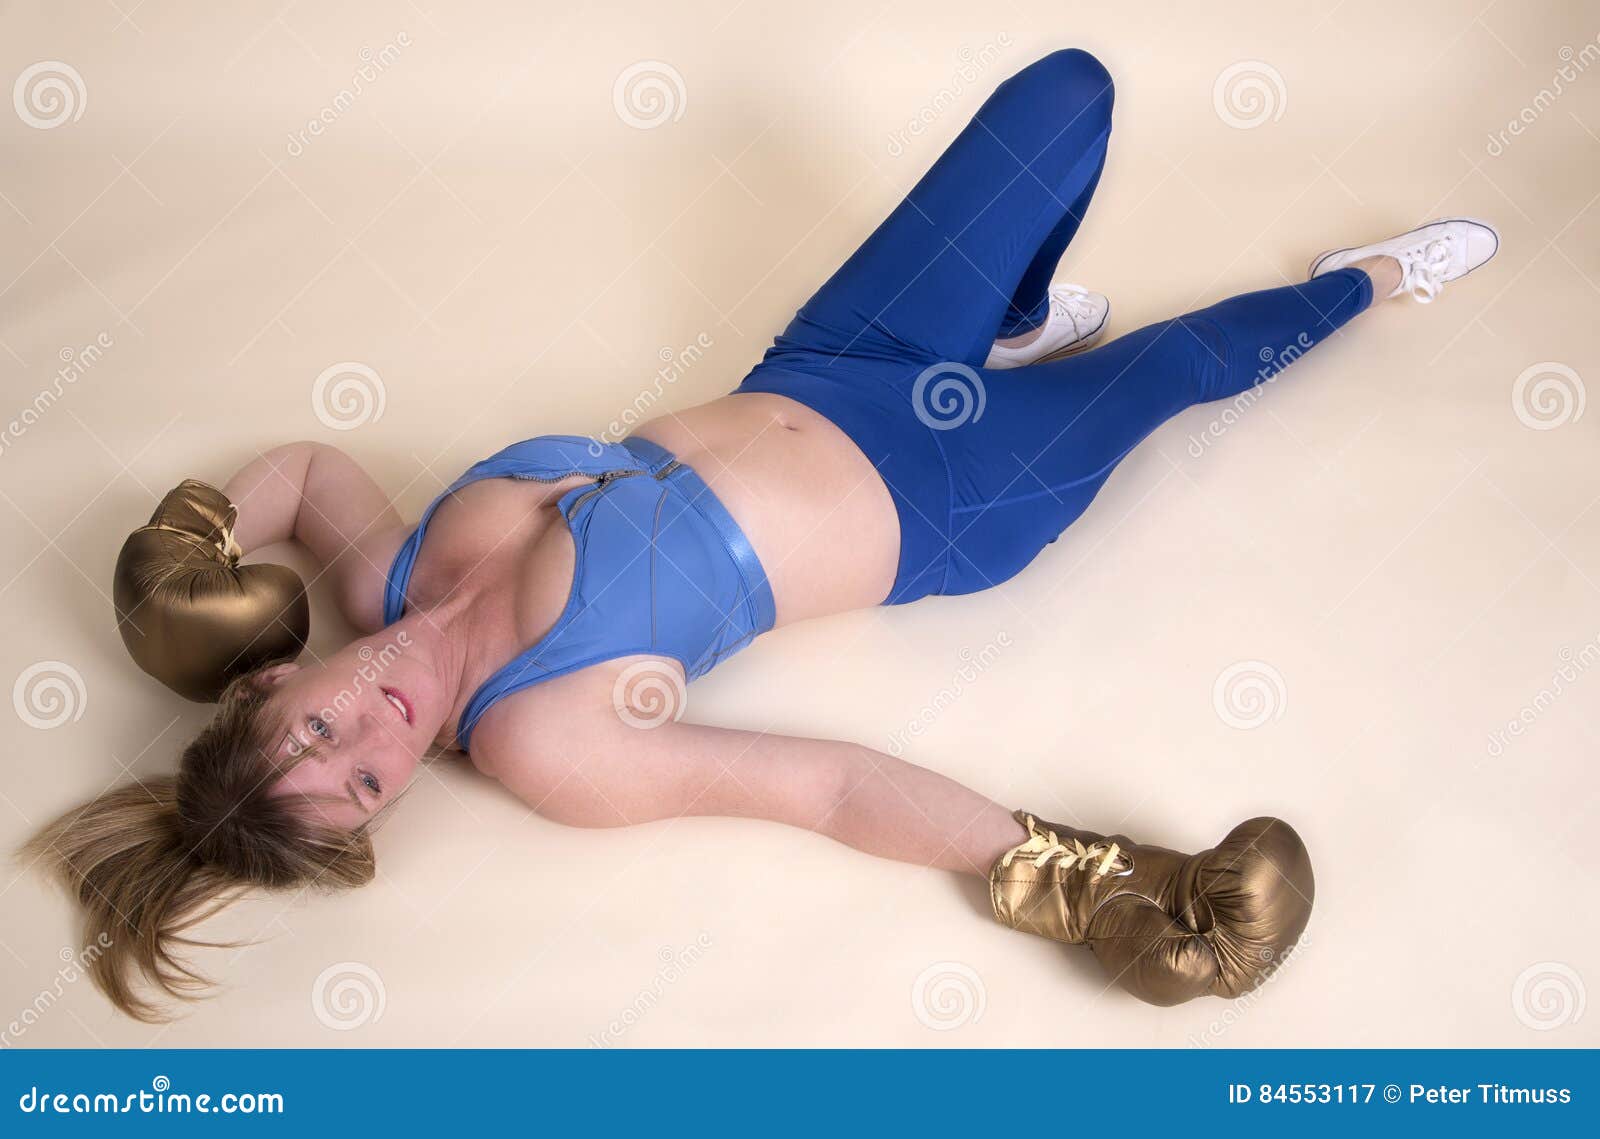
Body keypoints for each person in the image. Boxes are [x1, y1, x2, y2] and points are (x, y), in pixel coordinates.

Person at [27, 48, 1498, 1020]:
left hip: (830, 366)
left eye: (313, 735)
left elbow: (299, 465)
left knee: (1065, 97)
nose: (372, 738)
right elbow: (831, 791)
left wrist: (192, 539)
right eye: (360, 790)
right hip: (956, 497)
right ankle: (1371, 286)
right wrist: (1081, 878)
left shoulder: (379, 567)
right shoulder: (550, 745)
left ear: (270, 680)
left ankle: (1012, 320)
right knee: (1177, 367)